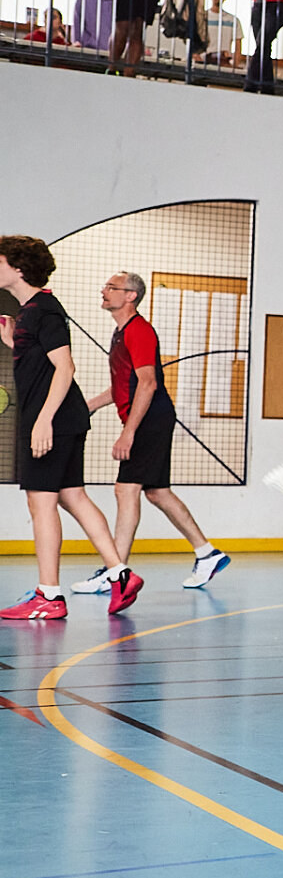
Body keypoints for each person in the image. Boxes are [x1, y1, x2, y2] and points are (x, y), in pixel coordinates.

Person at [0, 237, 142, 620]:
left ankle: (48, 595)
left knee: (41, 501)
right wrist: (14, 342)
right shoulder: (32, 311)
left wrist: (43, 420)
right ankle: (120, 573)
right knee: (72, 495)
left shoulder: (43, 309)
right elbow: (43, 363)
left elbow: (65, 367)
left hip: (53, 418)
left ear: (18, 268)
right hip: (64, 416)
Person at [70, 272, 230, 595]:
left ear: (131, 296)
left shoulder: (139, 330)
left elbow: (148, 383)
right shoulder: (121, 333)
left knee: (125, 489)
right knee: (157, 492)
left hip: (149, 419)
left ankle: (116, 572)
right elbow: (124, 386)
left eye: (112, 287)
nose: (104, 290)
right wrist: (89, 406)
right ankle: (207, 554)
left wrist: (129, 432)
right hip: (149, 418)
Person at [203, 0, 243, 66]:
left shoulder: (233, 20)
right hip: (204, 61)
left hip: (224, 62)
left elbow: (238, 45)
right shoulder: (202, 18)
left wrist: (235, 65)